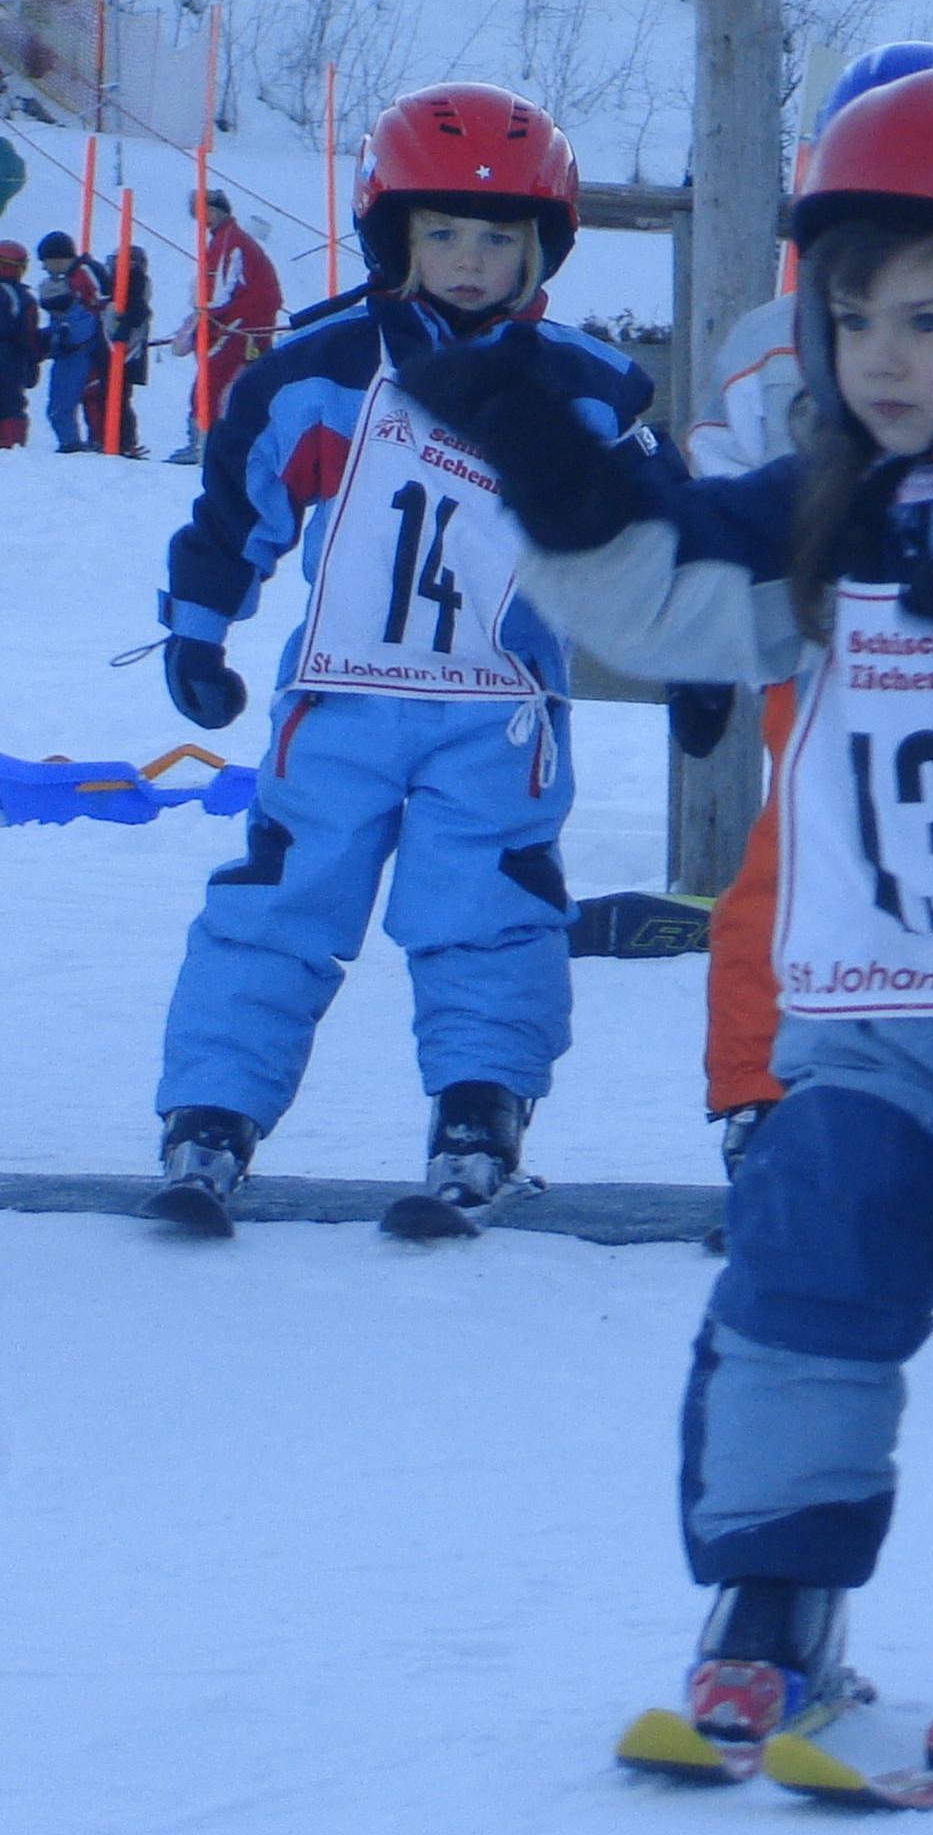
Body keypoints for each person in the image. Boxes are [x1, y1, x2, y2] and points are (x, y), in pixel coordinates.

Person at [405, 67, 933, 1774]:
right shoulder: (837, 503)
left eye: (928, 318)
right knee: (801, 1278)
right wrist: (555, 475)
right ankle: (774, 1600)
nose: (880, 356)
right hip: (876, 1011)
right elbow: (672, 585)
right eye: (853, 316)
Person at [142, 83, 650, 1232]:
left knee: (487, 909)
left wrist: (697, 652)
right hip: (342, 704)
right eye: (444, 232)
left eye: (497, 238)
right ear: (395, 236)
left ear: (541, 249)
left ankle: (480, 1113)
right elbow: (239, 502)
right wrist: (199, 626)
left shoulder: (584, 390)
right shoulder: (323, 372)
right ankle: (212, 1113)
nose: (469, 260)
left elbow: (657, 534)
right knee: (283, 899)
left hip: (497, 714)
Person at [680, 39, 933, 1181]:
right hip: (822, 667)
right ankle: (765, 1092)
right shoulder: (772, 344)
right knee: (797, 870)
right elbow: (718, 500)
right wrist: (706, 646)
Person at [179, 193, 284, 464]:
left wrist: (204, 316)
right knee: (244, 383)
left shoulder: (232, 242)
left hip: (243, 323)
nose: (203, 218)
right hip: (243, 322)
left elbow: (222, 291)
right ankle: (221, 442)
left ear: (220, 211)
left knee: (213, 378)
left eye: (208, 211)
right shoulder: (222, 240)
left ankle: (206, 443)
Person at [80, 240, 152, 456]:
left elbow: (139, 310)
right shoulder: (121, 285)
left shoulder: (135, 282)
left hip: (126, 351)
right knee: (108, 395)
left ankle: (124, 442)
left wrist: (125, 325)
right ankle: (109, 438)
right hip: (115, 348)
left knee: (117, 397)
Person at [34, 229, 102, 451]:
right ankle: (74, 442)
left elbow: (105, 302)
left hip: (81, 349)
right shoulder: (69, 278)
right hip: (71, 348)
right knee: (65, 402)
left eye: (45, 261)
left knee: (76, 400)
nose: (44, 268)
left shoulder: (83, 273)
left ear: (57, 258)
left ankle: (76, 443)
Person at [0, 236, 37, 447]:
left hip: (10, 354)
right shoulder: (21, 297)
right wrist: (32, 363)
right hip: (11, 358)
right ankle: (10, 444)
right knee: (10, 404)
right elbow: (28, 333)